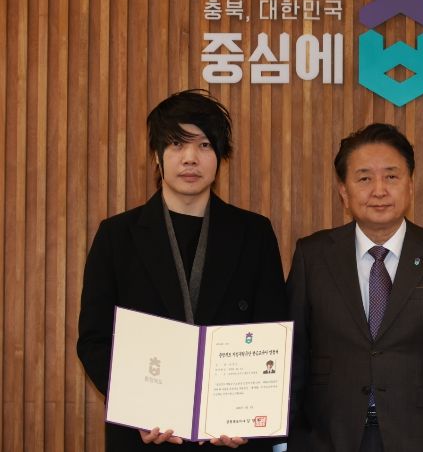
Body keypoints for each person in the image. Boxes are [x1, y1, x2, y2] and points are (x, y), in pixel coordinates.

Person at [77, 90, 287, 451]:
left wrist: (248, 416)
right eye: (177, 144)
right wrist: (137, 409)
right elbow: (95, 340)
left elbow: (273, 331)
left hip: (231, 438)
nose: (191, 158)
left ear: (220, 157)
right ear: (157, 156)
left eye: (204, 145)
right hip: (145, 435)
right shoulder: (116, 235)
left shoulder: (254, 233)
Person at [287, 123, 423, 452]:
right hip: (330, 437)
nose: (379, 190)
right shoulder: (313, 255)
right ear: (343, 191)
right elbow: (294, 357)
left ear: (410, 185)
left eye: (391, 176)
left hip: (419, 438)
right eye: (364, 179)